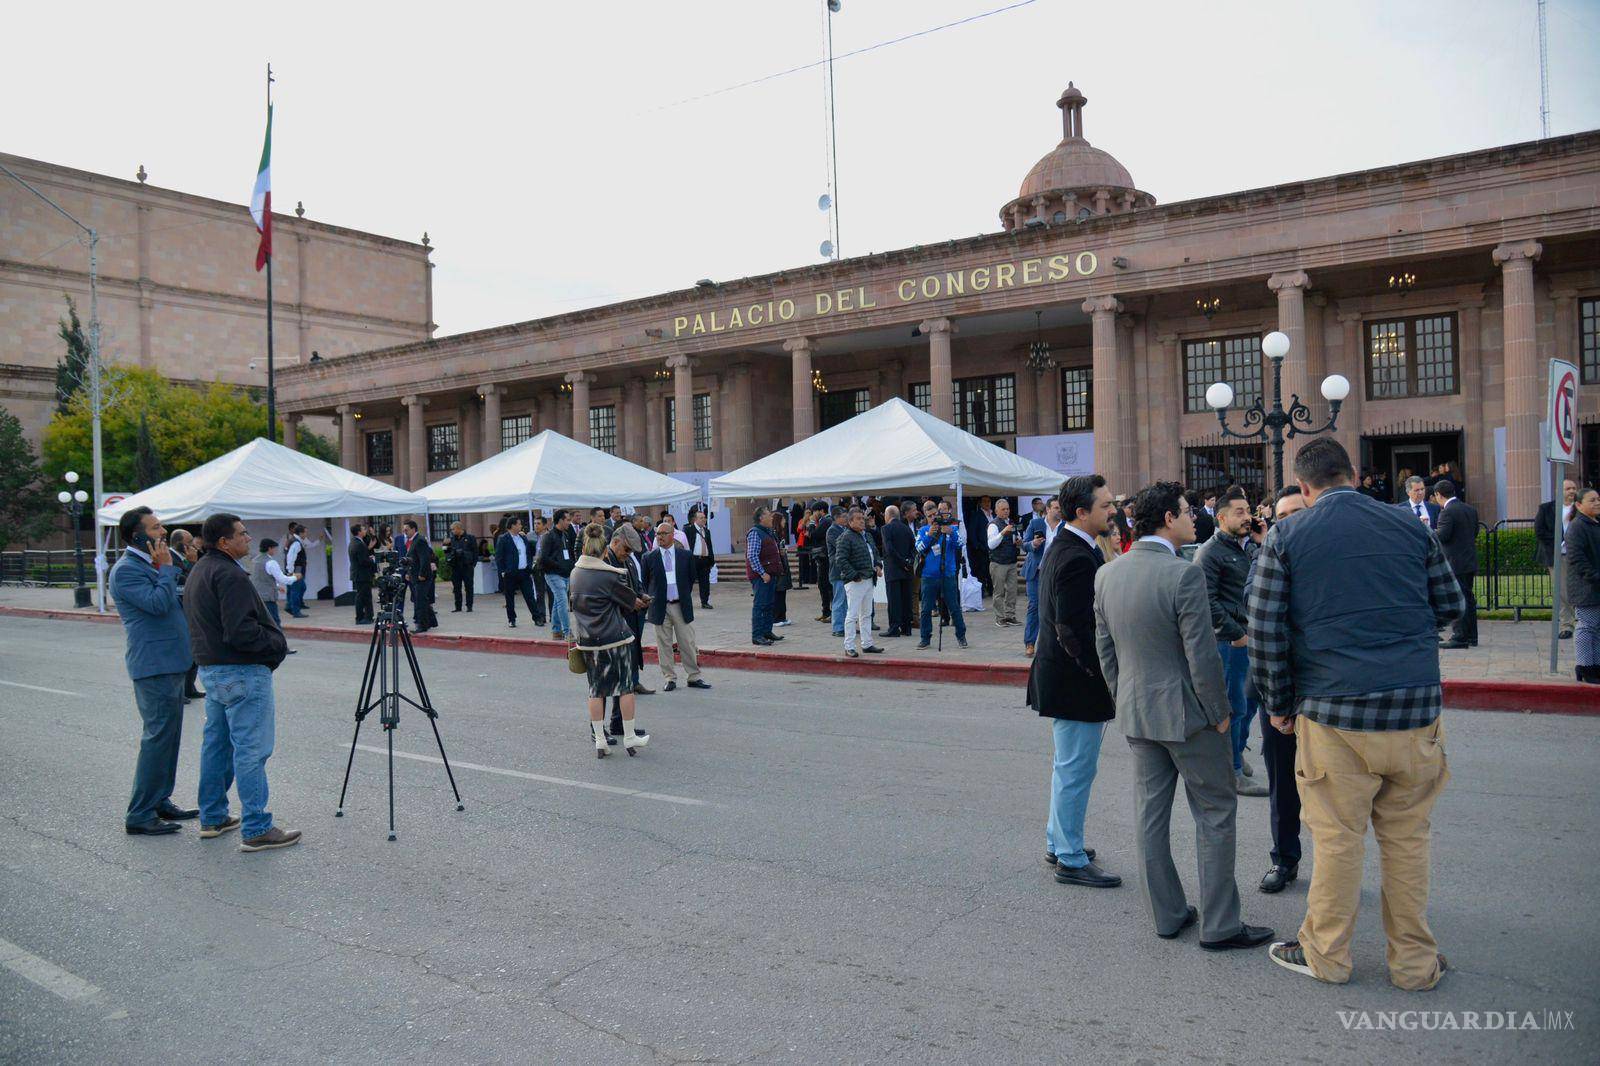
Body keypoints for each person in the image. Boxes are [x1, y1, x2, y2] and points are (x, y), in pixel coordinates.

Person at [1247, 438, 1461, 989]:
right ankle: (1415, 965)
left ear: (1306, 487)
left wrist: (1278, 705)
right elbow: (1451, 605)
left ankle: (1327, 955)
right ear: (1355, 475)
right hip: (1414, 708)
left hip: (1334, 709)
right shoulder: (1410, 526)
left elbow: (1266, 631)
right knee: (1408, 840)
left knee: (1338, 840)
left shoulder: (1289, 536)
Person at [1095, 481, 1273, 951]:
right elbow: (1202, 655)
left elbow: (1106, 651)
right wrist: (1221, 715)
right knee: (1215, 813)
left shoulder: (1108, 574)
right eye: (1187, 511)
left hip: (1137, 712)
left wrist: (1123, 699)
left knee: (1150, 815)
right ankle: (1220, 925)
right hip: (1189, 716)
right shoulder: (1182, 574)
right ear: (1168, 520)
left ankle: (1168, 915)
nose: (1195, 517)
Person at [185, 513, 299, 852]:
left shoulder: (201, 570)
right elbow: (239, 631)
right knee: (251, 750)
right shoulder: (229, 575)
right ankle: (257, 827)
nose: (248, 538)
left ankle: (213, 816)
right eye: (242, 533)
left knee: (217, 746)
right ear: (224, 542)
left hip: (214, 670)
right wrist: (274, 646)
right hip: (241, 671)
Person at [1028, 475, 1120, 888]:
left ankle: (1058, 841)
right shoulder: (1076, 556)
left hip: (1067, 679)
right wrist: (1100, 673)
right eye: (1104, 506)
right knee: (1076, 770)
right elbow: (1072, 629)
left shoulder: (1069, 546)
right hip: (1075, 682)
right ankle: (1069, 856)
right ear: (1081, 513)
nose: (1112, 511)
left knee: (1068, 768)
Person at [110, 507, 198, 836]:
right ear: (136, 535)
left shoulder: (149, 564)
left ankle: (160, 799)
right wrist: (166, 570)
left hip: (171, 662)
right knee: (157, 739)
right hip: (154, 665)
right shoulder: (127, 571)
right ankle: (140, 813)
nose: (163, 532)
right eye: (156, 527)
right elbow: (158, 604)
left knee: (169, 738)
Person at [1194, 485, 1269, 798]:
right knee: (1234, 705)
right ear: (1221, 517)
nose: (1247, 516)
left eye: (1248, 510)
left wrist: (1261, 542)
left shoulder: (1245, 546)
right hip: (1229, 641)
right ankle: (1232, 772)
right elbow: (1207, 601)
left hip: (1248, 638)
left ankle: (1237, 752)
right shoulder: (1211, 552)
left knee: (1249, 703)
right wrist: (1236, 634)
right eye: (1239, 512)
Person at [1251, 485, 1308, 894]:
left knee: (1332, 791)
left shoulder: (1327, 557)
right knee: (1282, 782)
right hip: (1276, 689)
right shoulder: (1265, 555)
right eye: (1281, 515)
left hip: (1322, 691)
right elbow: (1258, 615)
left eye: (1296, 513)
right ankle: (1284, 858)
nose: (1287, 522)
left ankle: (1335, 868)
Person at [569, 524, 650, 756]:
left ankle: (600, 739)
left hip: (587, 640)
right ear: (605, 551)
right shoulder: (608, 574)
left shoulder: (575, 574)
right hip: (613, 638)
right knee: (625, 688)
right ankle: (630, 736)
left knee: (595, 690)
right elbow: (629, 601)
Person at [643, 521, 713, 691]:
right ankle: (669, 677)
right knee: (664, 644)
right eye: (658, 534)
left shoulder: (685, 555)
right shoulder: (649, 557)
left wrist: (680, 595)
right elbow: (646, 582)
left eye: (664, 534)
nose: (660, 537)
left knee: (687, 642)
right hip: (660, 606)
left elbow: (690, 579)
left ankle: (694, 676)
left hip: (680, 605)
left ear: (672, 535)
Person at [1432, 479, 1479, 649]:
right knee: (1468, 598)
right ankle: (1471, 636)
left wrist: (1428, 530)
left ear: (1438, 494)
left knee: (1459, 599)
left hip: (1455, 562)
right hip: (1469, 560)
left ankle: (1460, 636)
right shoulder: (1470, 509)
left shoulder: (1447, 512)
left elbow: (1442, 535)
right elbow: (1474, 532)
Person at [916, 507, 968, 649]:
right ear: (926, 517)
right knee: (926, 609)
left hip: (947, 575)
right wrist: (928, 536)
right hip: (929, 576)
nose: (933, 518)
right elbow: (919, 548)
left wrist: (951, 533)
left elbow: (960, 545)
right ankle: (925, 638)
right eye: (930, 515)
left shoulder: (951, 529)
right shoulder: (922, 530)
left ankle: (961, 636)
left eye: (935, 515)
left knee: (954, 607)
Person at [834, 508, 883, 658]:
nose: (862, 521)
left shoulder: (866, 535)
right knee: (853, 614)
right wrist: (854, 575)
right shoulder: (845, 537)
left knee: (866, 614)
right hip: (856, 581)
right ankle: (849, 646)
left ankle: (867, 643)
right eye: (858, 519)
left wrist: (878, 565)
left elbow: (874, 552)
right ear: (850, 522)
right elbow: (840, 559)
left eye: (863, 518)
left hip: (869, 579)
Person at [1535, 478, 1580, 638]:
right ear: (1559, 491)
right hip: (1557, 555)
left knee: (1580, 589)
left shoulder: (1581, 508)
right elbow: (1540, 531)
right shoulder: (1547, 508)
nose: (1572, 491)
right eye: (1568, 488)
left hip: (1578, 556)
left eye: (1574, 488)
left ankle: (1583, 621)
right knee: (1561, 590)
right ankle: (1567, 625)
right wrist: (1560, 541)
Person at [1022, 497, 1064, 656]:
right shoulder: (1036, 524)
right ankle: (1030, 642)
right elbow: (1025, 545)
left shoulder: (1065, 526)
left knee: (1056, 607)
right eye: (1056, 508)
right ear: (1048, 509)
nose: (1059, 511)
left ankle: (1053, 643)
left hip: (1055, 573)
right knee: (1034, 606)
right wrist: (1033, 544)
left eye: (1060, 508)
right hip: (1036, 573)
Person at [1566, 487, 1600, 683]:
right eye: (1592, 500)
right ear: (1579, 505)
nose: (1596, 503)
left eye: (1598, 499)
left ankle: (1595, 665)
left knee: (1597, 628)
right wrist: (1594, 576)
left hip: (1595, 583)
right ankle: (1585, 666)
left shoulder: (1594, 524)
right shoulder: (1578, 526)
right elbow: (1577, 559)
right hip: (1585, 586)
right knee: (1586, 626)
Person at [168, 529, 205, 702]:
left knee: (193, 653)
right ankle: (180, 691)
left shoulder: (183, 557)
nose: (193, 546)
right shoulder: (170, 558)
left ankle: (190, 687)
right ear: (180, 544)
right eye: (189, 542)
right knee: (182, 653)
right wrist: (191, 564)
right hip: (180, 611)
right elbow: (184, 582)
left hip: (190, 611)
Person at [746, 506, 784, 646]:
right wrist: (762, 573)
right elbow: (752, 555)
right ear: (761, 518)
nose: (772, 517)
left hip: (770, 574)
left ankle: (767, 631)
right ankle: (757, 635)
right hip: (762, 576)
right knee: (760, 605)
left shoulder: (768, 532)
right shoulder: (755, 533)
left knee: (769, 605)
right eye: (769, 515)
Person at [879, 504, 915, 638]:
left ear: (888, 515)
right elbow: (913, 547)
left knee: (894, 600)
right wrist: (908, 562)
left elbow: (889, 549)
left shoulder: (886, 529)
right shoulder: (907, 529)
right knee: (906, 599)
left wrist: (901, 562)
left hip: (894, 569)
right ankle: (907, 627)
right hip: (907, 570)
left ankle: (894, 627)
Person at [986, 498, 1023, 627]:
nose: (1006, 511)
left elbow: (1015, 538)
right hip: (998, 562)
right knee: (999, 592)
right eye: (1003, 509)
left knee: (1012, 590)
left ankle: (1010, 615)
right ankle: (1000, 617)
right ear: (996, 511)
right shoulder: (993, 525)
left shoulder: (1011, 523)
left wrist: (1018, 542)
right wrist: (1003, 532)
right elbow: (991, 544)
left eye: (1007, 509)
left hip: (1011, 561)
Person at [540, 510, 577, 640]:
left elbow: (570, 552)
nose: (569, 522)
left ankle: (556, 630)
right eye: (567, 519)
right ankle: (567, 632)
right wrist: (560, 565)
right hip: (553, 574)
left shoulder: (565, 535)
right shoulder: (548, 536)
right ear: (560, 520)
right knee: (562, 602)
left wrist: (571, 565)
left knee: (558, 602)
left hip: (565, 574)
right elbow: (543, 558)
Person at [495, 517, 538, 628]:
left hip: (524, 571)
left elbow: (529, 552)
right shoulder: (503, 539)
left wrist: (529, 565)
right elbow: (499, 557)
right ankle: (511, 619)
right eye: (519, 524)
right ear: (512, 525)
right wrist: (503, 571)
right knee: (510, 598)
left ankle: (537, 618)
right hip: (510, 573)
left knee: (529, 596)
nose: (521, 526)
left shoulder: (522, 538)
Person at [401, 520, 438, 633]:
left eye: (406, 530)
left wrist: (422, 574)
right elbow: (412, 560)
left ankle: (422, 625)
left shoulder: (420, 540)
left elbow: (424, 559)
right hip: (414, 575)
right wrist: (408, 573)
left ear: (413, 529)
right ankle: (431, 621)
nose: (405, 532)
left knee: (420, 600)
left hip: (422, 576)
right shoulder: (412, 541)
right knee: (421, 599)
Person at [251, 538, 296, 629]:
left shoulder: (254, 561)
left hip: (255, 597)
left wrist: (277, 586)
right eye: (274, 548)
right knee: (274, 622)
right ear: (269, 548)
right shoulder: (271, 562)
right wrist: (295, 577)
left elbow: (260, 578)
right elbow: (283, 579)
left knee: (261, 623)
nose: (275, 550)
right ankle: (277, 642)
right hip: (268, 597)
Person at [826, 506, 850, 638]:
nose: (846, 519)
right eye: (844, 516)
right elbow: (841, 546)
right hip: (837, 570)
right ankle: (837, 627)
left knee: (847, 600)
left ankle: (846, 625)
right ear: (836, 518)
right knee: (839, 599)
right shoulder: (832, 531)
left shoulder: (845, 529)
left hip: (846, 571)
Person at [686, 507, 716, 609]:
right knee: (689, 581)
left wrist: (711, 560)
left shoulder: (706, 531)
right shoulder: (689, 529)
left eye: (704, 518)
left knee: (705, 583)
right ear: (695, 519)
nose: (704, 519)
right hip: (693, 559)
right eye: (701, 518)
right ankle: (685, 601)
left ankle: (704, 601)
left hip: (705, 560)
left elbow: (709, 546)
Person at [446, 522, 477, 613]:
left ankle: (469, 606)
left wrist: (473, 564)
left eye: (453, 529)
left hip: (467, 566)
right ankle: (458, 606)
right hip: (456, 567)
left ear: (459, 528)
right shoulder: (450, 540)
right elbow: (446, 552)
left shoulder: (470, 538)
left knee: (469, 587)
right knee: (456, 588)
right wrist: (449, 560)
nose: (452, 531)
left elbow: (475, 551)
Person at [348, 523, 376, 625]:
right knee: (362, 597)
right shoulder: (358, 544)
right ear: (359, 532)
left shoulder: (355, 542)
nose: (365, 531)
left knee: (365, 596)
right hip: (362, 575)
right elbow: (363, 561)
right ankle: (361, 618)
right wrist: (372, 560)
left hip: (359, 574)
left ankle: (368, 617)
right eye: (363, 529)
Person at [283, 523, 310, 617]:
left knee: (296, 588)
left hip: (294, 569)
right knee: (297, 589)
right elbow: (291, 557)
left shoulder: (293, 541)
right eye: (305, 532)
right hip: (296, 569)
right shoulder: (296, 543)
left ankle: (290, 606)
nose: (306, 534)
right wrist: (290, 571)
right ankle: (295, 611)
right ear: (301, 533)